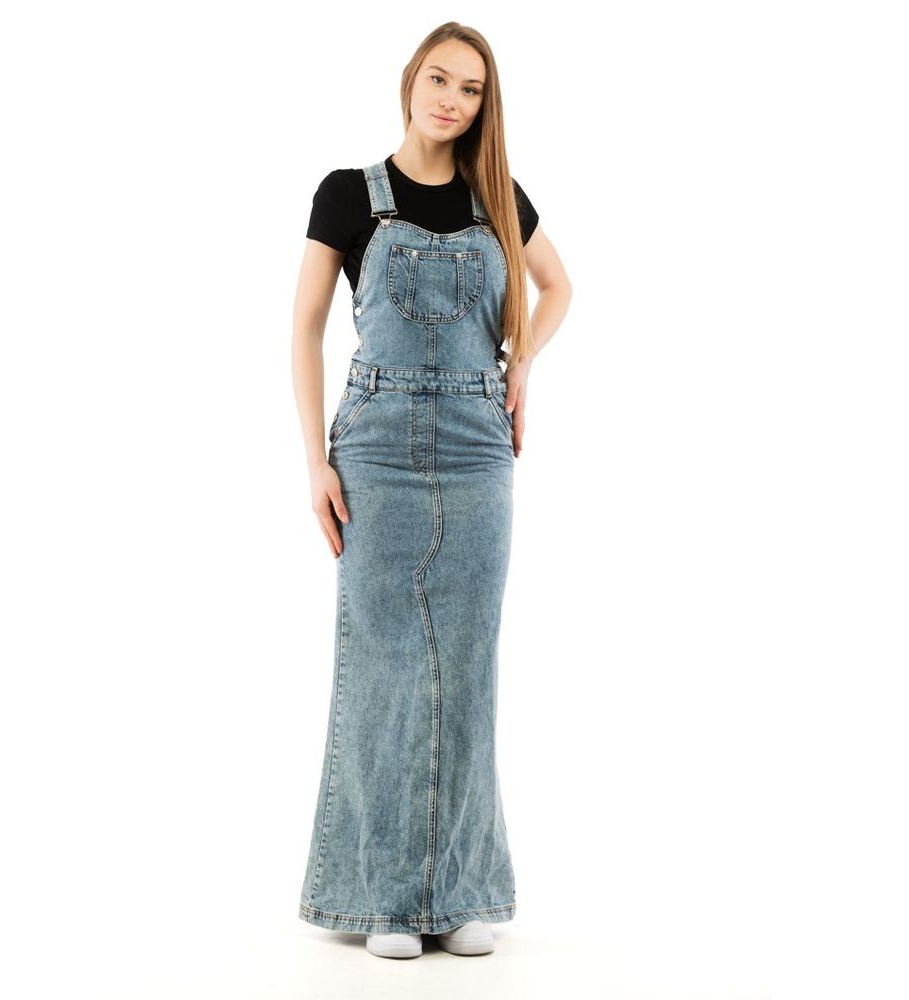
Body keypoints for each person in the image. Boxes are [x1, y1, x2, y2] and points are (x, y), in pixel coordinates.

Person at [291, 22, 572, 960]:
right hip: (373, 449)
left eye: (472, 89)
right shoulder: (348, 195)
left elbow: (559, 287)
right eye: (440, 80)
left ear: (485, 106)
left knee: (465, 667)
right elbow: (304, 329)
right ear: (411, 81)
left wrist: (521, 361)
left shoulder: (500, 197)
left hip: (479, 447)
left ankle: (454, 896)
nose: (452, 100)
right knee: (383, 667)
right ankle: (381, 897)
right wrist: (315, 461)